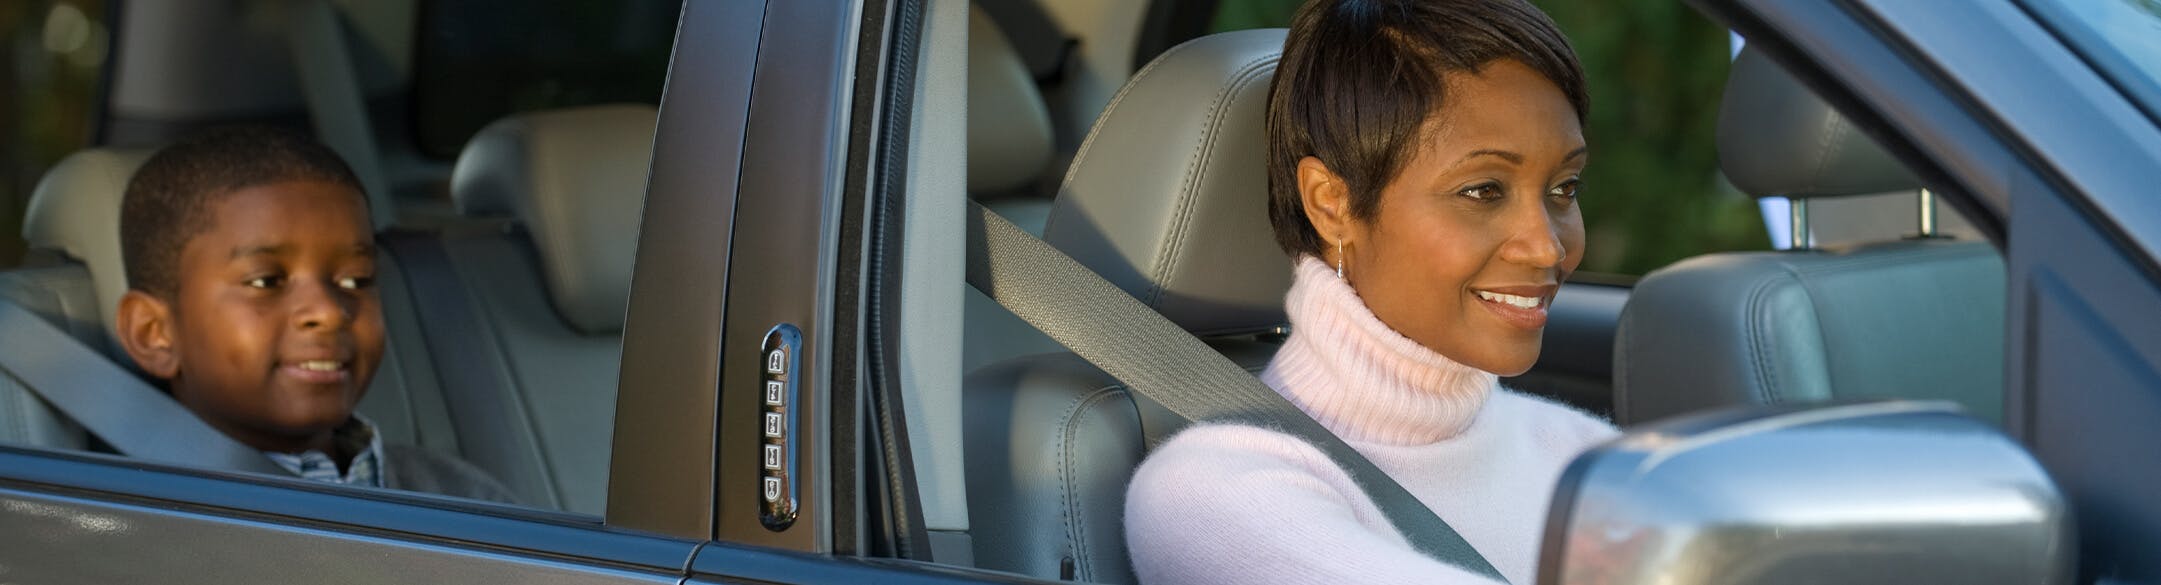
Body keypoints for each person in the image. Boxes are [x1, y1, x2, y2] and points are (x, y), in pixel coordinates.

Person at [1123, 1, 1618, 583]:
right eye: (1483, 191)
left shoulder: (1585, 454)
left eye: (1563, 188)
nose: (1547, 247)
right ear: (1332, 203)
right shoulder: (1210, 493)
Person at [113, 127, 517, 503]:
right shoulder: (131, 529)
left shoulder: (465, 496)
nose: (329, 311)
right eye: (265, 282)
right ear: (154, 333)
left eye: (357, 280)